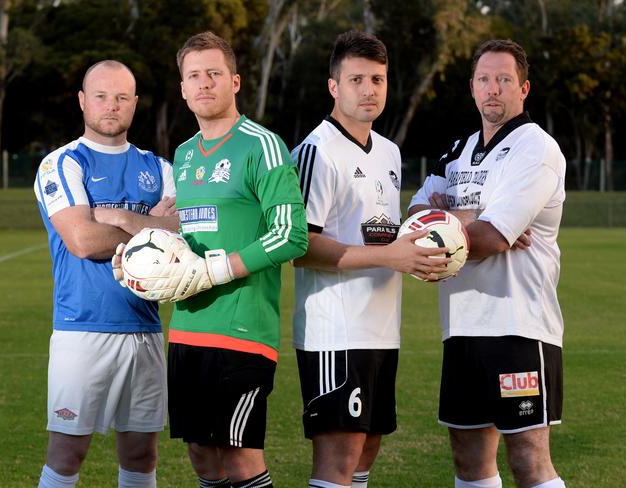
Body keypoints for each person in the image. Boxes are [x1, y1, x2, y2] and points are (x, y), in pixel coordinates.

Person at [291, 31, 450, 488]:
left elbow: (385, 234)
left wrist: (426, 251)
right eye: (356, 78)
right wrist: (392, 256)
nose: (369, 89)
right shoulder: (315, 151)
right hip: (335, 332)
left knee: (368, 447)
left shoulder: (389, 151)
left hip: (382, 329)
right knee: (338, 458)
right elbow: (301, 247)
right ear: (333, 86)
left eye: (377, 79)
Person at [408, 39, 567, 488]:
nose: (493, 88)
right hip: (461, 326)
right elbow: (414, 221)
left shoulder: (536, 149)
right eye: (484, 79)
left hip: (518, 325)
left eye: (504, 79)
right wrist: (471, 218)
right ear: (472, 88)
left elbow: (494, 238)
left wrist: (450, 219)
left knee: (528, 460)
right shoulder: (455, 151)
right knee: (469, 457)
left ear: (524, 88)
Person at [166, 31, 308, 488]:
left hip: (241, 330)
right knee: (201, 454)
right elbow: (186, 237)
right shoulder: (184, 155)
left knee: (241, 455)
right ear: (183, 89)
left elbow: (291, 235)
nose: (204, 83)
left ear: (235, 82)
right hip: (187, 327)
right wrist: (139, 263)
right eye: (194, 76)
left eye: (214, 73)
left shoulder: (261, 145)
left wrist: (216, 269)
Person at [34, 60, 178, 488]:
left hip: (146, 329)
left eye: (121, 97)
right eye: (101, 96)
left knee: (141, 454)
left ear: (134, 104)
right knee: (66, 453)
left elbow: (185, 235)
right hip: (82, 332)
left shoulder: (160, 168)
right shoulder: (61, 163)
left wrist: (115, 217)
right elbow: (81, 240)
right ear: (82, 101)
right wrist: (149, 224)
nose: (111, 105)